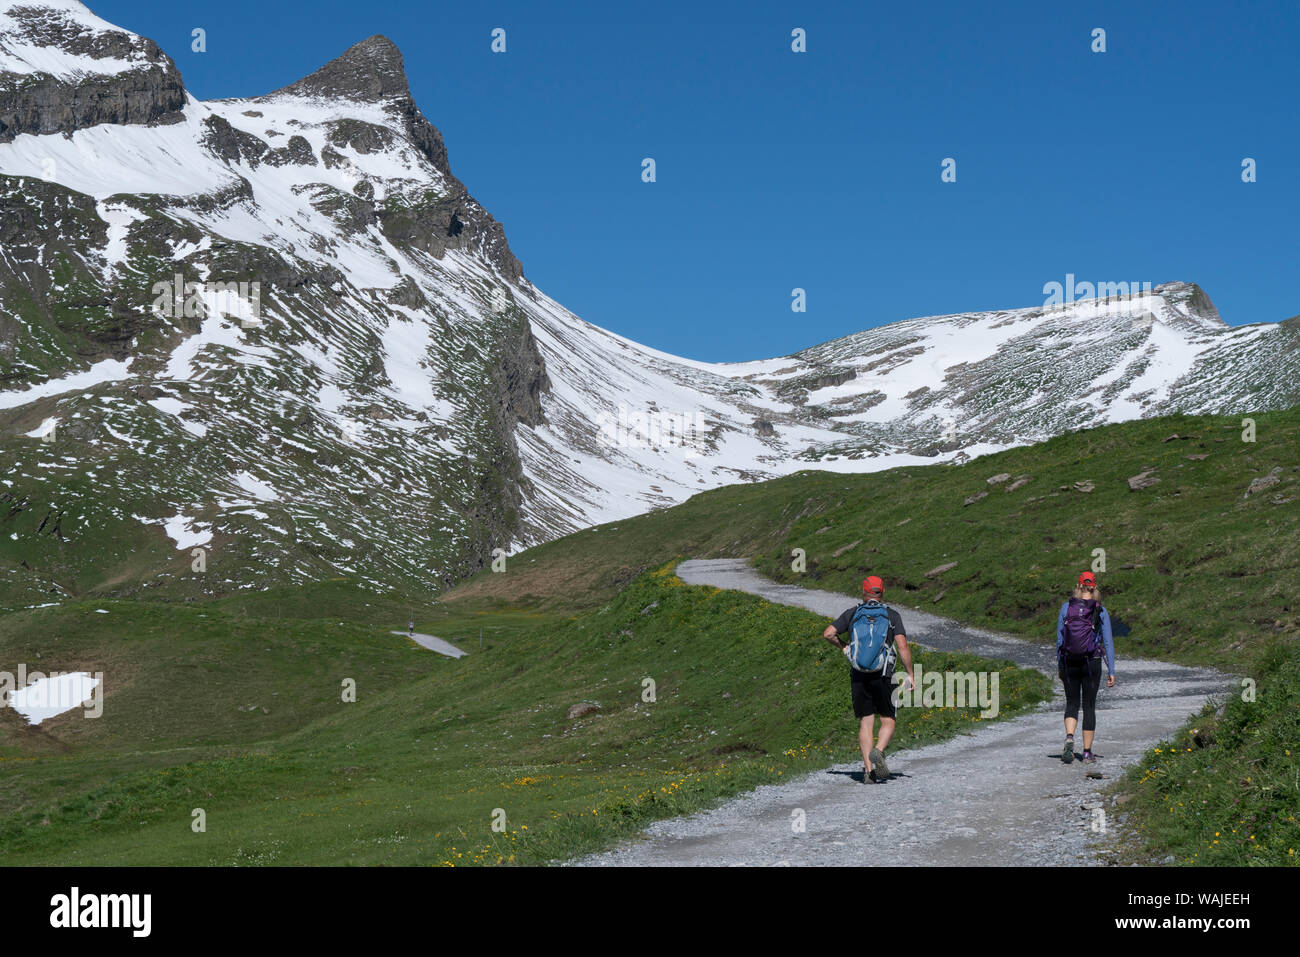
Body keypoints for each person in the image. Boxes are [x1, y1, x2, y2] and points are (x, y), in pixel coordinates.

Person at [823, 576, 916, 783]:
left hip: (858, 673)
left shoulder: (853, 613)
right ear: (882, 593)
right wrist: (910, 673)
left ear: (863, 592)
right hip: (885, 674)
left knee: (866, 722)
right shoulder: (892, 616)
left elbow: (828, 634)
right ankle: (879, 750)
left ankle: (868, 772)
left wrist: (845, 648)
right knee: (888, 718)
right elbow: (902, 646)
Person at [1056, 571, 1116, 764]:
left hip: (1069, 661)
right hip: (1092, 662)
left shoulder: (1066, 608)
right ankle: (1088, 752)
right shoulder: (1100, 611)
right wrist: (1112, 670)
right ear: (1094, 587)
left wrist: (1060, 665)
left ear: (1078, 585)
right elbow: (1107, 642)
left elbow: (1060, 640)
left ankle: (1070, 737)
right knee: (1089, 705)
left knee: (1072, 702)